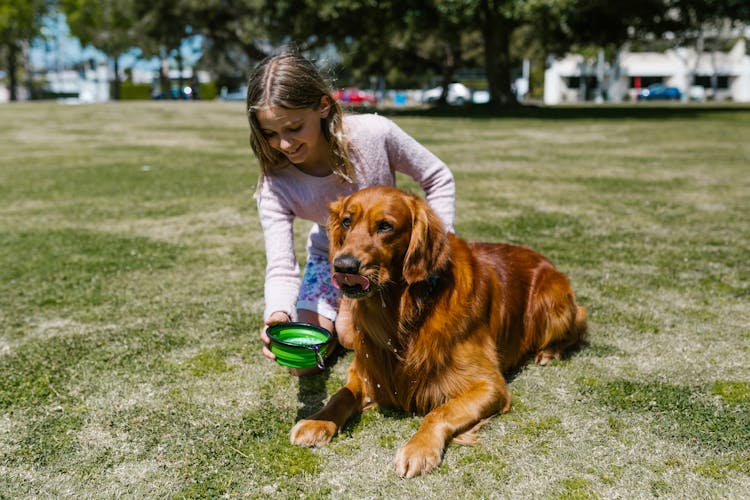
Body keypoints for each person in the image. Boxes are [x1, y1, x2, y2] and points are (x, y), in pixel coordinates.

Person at [247, 50, 455, 375]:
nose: (284, 144)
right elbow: (282, 267)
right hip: (330, 259)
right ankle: (331, 330)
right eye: (270, 134)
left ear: (323, 106)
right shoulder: (275, 184)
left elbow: (437, 177)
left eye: (294, 127)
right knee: (300, 363)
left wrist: (438, 243)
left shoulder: (374, 134)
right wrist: (278, 314)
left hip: (386, 257)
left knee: (350, 334)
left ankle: (343, 327)